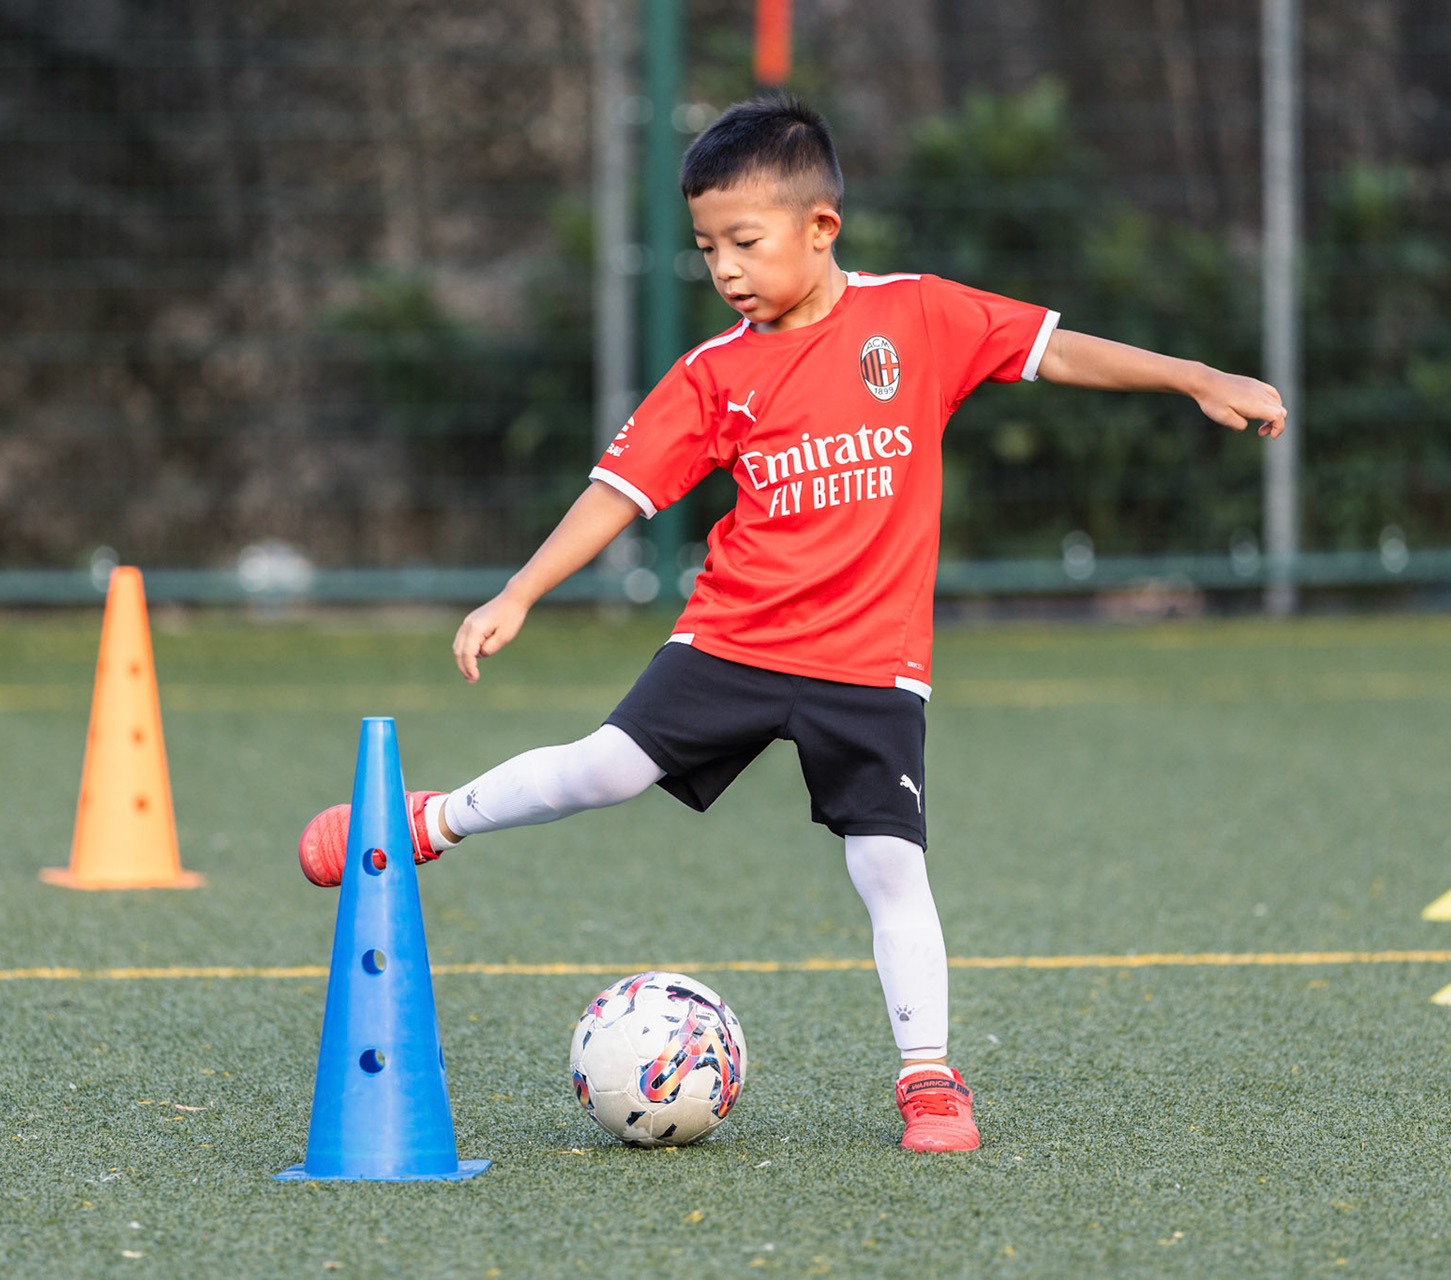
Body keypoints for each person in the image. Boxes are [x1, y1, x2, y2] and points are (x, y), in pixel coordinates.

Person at [299, 95, 1285, 1153]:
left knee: (890, 865)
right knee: (605, 768)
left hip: (870, 662)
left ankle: (929, 1080)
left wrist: (1195, 374)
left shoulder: (918, 317)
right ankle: (430, 821)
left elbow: (1058, 349)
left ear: (822, 227)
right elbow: (619, 492)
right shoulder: (714, 374)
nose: (723, 267)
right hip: (735, 639)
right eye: (706, 247)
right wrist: (519, 590)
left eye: (745, 241)